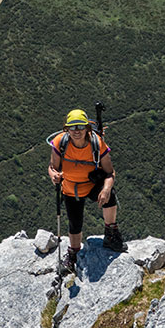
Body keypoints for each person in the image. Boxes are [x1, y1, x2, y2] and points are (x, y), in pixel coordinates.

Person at [47, 108, 126, 273]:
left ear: (87, 128)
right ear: (66, 129)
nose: (76, 131)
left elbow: (110, 173)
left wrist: (105, 190)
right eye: (72, 127)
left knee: (109, 195)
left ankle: (111, 232)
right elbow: (52, 167)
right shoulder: (59, 142)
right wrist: (53, 175)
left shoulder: (96, 143)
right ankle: (73, 253)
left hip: (90, 186)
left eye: (80, 127)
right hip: (70, 189)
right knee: (75, 224)